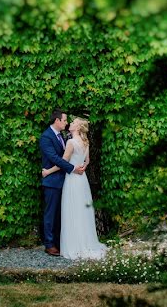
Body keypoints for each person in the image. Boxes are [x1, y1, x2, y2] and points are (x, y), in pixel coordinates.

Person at [42, 117, 108, 260]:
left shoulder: (71, 142)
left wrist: (47, 171)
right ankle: (84, 242)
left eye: (72, 123)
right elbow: (87, 161)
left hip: (72, 180)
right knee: (81, 212)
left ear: (77, 128)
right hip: (82, 180)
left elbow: (62, 163)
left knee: (71, 211)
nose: (69, 124)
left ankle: (74, 245)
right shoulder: (85, 142)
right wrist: (83, 167)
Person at [39, 110, 84, 256]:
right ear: (57, 121)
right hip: (52, 182)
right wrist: (73, 169)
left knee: (62, 214)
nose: (66, 123)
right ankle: (49, 244)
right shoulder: (46, 137)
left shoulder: (63, 137)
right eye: (64, 120)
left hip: (65, 181)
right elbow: (55, 158)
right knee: (50, 214)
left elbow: (68, 156)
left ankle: (60, 242)